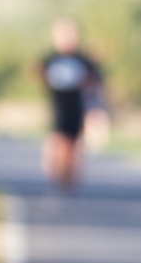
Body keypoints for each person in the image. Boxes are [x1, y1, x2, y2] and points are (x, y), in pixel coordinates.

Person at [34, 18, 105, 189]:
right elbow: (37, 73)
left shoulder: (83, 59)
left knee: (73, 144)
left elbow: (95, 80)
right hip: (58, 104)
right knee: (58, 139)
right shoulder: (51, 58)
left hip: (77, 105)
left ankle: (69, 178)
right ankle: (54, 167)